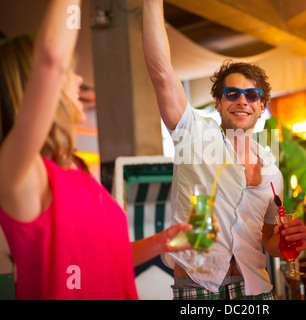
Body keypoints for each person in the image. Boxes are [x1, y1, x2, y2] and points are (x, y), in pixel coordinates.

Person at [0, 0, 191, 300]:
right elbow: (51, 59)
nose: (78, 80)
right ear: (32, 87)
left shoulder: (77, 171)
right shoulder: (18, 173)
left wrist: (162, 242)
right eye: (68, 73)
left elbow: (106, 260)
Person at [142, 0, 306, 300]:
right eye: (232, 93)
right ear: (218, 103)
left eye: (251, 95)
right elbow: (162, 73)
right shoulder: (194, 135)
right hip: (198, 289)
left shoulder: (272, 171)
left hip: (256, 289)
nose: (242, 100)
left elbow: (269, 240)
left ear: (261, 107)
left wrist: (288, 242)